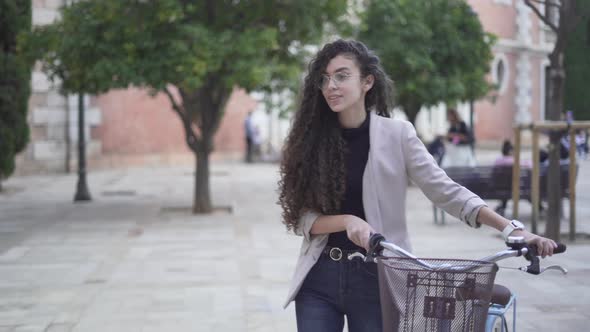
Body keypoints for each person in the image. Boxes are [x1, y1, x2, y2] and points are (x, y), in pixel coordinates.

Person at [277, 39, 557, 332]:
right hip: (320, 277)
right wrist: (347, 221)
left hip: (378, 279)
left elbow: (446, 191)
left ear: (367, 81)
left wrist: (513, 229)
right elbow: (302, 219)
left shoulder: (397, 135)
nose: (331, 85)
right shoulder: (311, 142)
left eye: (342, 75)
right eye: (324, 79)